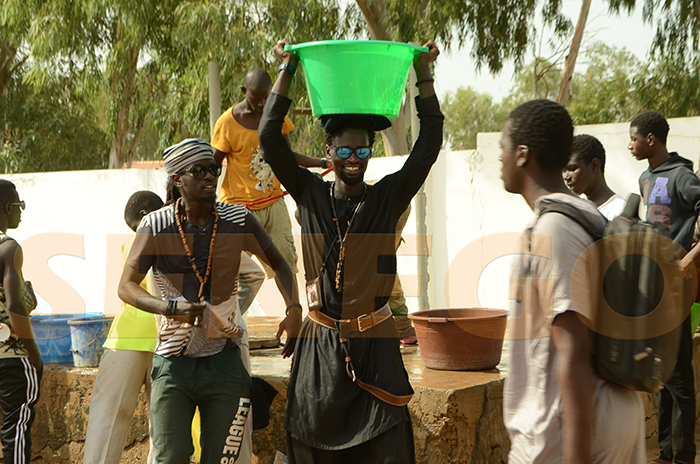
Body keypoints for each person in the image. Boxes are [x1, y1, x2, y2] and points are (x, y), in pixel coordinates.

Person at [259, 38, 442, 462]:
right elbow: (269, 138)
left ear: (370, 151)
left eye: (361, 149)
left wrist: (423, 72)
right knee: (312, 446)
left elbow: (429, 142)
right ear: (329, 152)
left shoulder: (386, 198)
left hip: (376, 349)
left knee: (390, 448)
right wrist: (288, 68)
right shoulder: (309, 194)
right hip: (320, 348)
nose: (353, 157)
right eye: (344, 150)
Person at [118, 138, 300, 464]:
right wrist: (170, 308)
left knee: (221, 460)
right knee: (170, 457)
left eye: (214, 169)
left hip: (225, 362)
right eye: (198, 170)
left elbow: (279, 263)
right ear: (177, 179)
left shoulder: (238, 220)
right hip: (173, 365)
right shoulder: (155, 226)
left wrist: (294, 309)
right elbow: (126, 286)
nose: (210, 177)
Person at [501, 99, 645, 463]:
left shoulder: (556, 227)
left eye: (502, 147)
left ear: (521, 154)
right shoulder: (579, 214)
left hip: (571, 432)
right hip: (586, 421)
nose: (498, 157)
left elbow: (574, 350)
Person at [211, 67, 322, 295]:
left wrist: (322, 162)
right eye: (255, 99)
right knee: (230, 272)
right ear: (244, 91)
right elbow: (213, 166)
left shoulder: (276, 116)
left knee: (286, 265)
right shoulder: (227, 123)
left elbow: (288, 158)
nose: (262, 104)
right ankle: (222, 323)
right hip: (239, 208)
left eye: (266, 98)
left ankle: (294, 316)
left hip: (273, 203)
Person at [629, 111, 700, 464]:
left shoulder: (682, 175)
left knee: (680, 375)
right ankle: (666, 452)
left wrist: (689, 259)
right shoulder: (645, 177)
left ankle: (684, 456)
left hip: (677, 286)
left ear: (651, 140)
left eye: (634, 138)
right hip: (653, 284)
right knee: (662, 372)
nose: (630, 145)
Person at [83, 190, 163, 464]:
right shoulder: (182, 241)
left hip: (128, 339)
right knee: (162, 428)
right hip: (167, 341)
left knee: (107, 418)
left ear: (143, 216)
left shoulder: (136, 240)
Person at [0, 180, 42, 464]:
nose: (21, 212)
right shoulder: (8, 248)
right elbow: (15, 306)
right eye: (19, 206)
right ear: (6, 208)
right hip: (10, 355)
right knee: (16, 426)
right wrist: (33, 353)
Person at [564, 133, 627, 220]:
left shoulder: (618, 210)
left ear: (594, 166)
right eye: (564, 171)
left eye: (572, 169)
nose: (566, 177)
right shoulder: (579, 204)